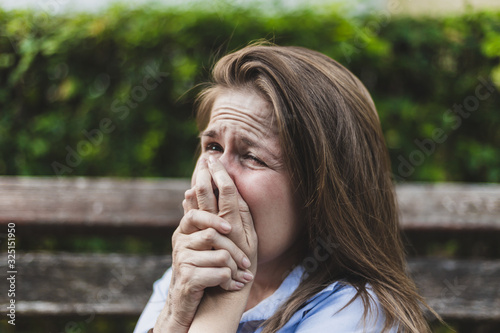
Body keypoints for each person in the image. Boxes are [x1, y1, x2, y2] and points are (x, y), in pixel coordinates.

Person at [134, 43, 437, 333]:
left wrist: (225, 294)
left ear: (319, 193)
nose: (215, 177)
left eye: (252, 156)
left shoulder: (358, 313)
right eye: (212, 147)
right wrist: (172, 318)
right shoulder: (184, 276)